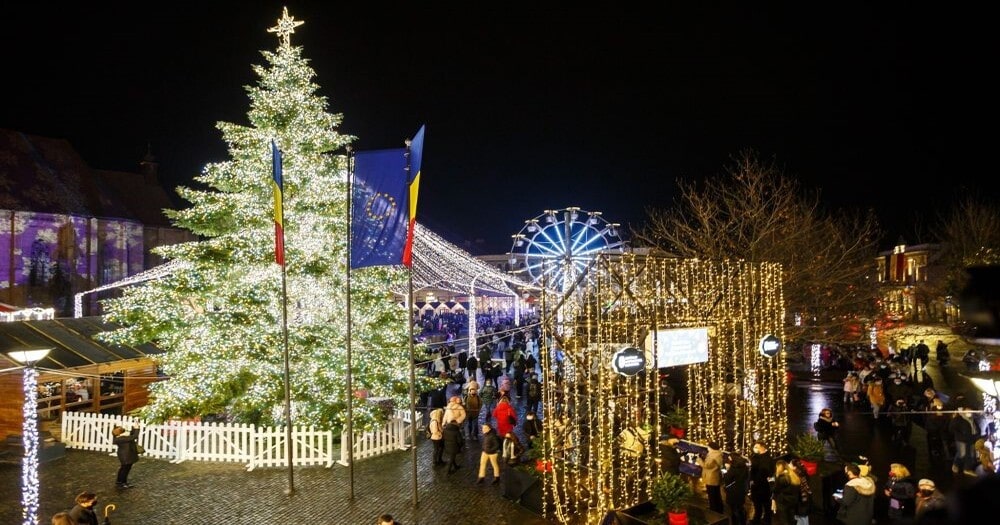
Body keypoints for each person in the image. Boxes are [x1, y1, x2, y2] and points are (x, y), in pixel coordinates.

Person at [750, 441, 775, 525]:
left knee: (766, 505)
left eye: (756, 447)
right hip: (757, 486)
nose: (755, 449)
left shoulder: (768, 458)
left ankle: (765, 520)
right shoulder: (756, 457)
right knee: (757, 506)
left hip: (764, 487)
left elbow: (766, 472)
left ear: (762, 447)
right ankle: (757, 519)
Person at [772, 459, 801, 525]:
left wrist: (771, 483)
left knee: (784, 520)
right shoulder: (793, 475)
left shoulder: (781, 478)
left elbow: (775, 489)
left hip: (783, 502)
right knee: (792, 519)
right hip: (793, 501)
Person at [723, 453, 750, 525]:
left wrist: (727, 470)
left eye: (730, 458)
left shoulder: (733, 467)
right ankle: (743, 522)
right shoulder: (744, 466)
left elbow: (727, 478)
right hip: (741, 489)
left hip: (733, 491)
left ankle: (735, 522)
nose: (729, 460)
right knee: (740, 507)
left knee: (733, 509)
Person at [699, 441, 725, 514]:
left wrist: (699, 460)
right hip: (715, 477)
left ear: (711, 447)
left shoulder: (713, 455)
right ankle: (719, 508)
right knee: (716, 494)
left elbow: (707, 465)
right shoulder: (718, 454)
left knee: (712, 495)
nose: (707, 448)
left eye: (708, 447)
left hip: (711, 478)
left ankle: (713, 510)